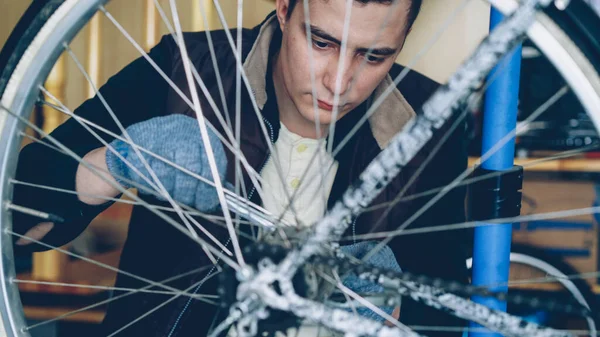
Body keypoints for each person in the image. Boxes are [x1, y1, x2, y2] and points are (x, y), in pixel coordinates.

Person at [13, 0, 470, 336]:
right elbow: (11, 215)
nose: (340, 81)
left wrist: (392, 311)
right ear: (284, 8)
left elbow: (446, 317)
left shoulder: (429, 123)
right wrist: (111, 164)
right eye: (322, 41)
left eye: (374, 56)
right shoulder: (184, 71)